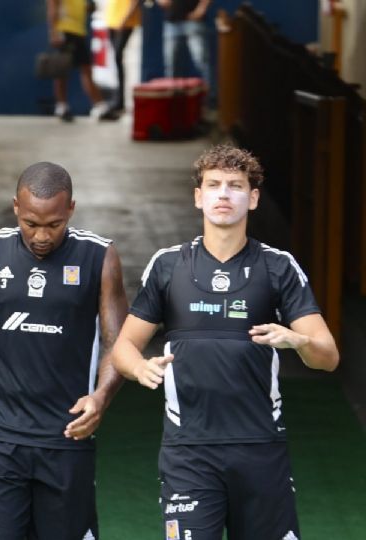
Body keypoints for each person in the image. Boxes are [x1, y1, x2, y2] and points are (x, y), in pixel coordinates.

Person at [111, 144, 339, 539]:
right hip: (189, 451)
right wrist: (139, 367)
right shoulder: (168, 265)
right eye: (213, 185)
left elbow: (328, 357)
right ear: (198, 196)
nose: (223, 194)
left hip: (260, 447)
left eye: (235, 186)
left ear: (252, 199)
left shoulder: (277, 266)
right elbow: (123, 347)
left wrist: (296, 338)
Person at [0, 162, 127, 539]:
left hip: (66, 438)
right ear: (15, 207)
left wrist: (101, 398)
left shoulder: (99, 257)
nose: (41, 235)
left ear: (71, 209)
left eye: (54, 224)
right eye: (31, 223)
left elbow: (116, 343)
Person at [46, 0, 111, 122]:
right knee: (62, 71)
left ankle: (100, 107)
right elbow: (52, 7)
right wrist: (53, 32)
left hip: (78, 32)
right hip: (64, 31)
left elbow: (84, 8)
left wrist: (89, 7)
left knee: (86, 69)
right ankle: (62, 107)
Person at [156, 0, 214, 105]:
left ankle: (207, 104)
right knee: (171, 67)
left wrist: (201, 9)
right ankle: (174, 107)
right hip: (172, 22)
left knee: (202, 64)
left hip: (194, 21)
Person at [104, 0, 143, 118]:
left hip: (126, 21)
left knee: (118, 57)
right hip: (112, 20)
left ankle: (120, 101)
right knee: (116, 60)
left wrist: (125, 18)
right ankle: (118, 100)